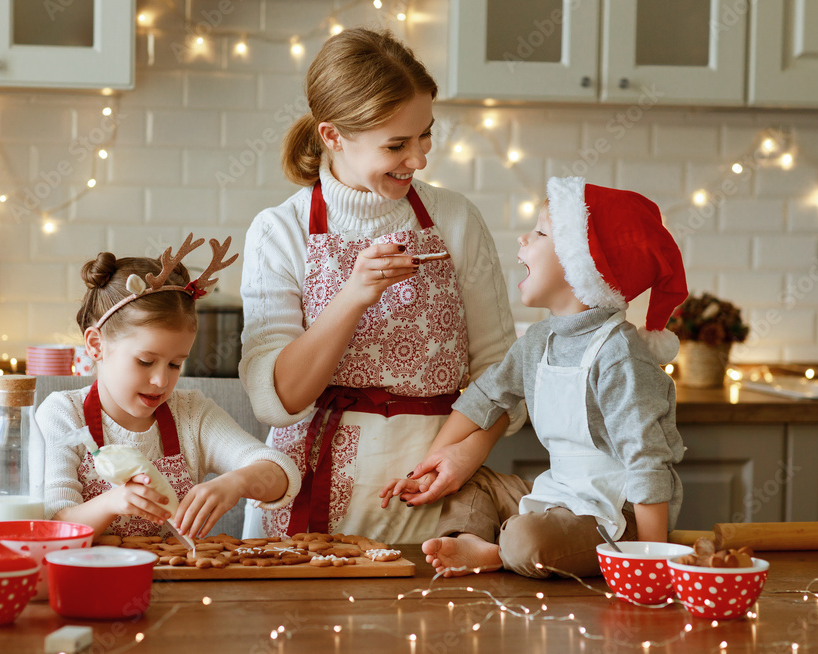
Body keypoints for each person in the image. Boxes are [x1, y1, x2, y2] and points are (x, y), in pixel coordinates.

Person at [239, 27, 523, 544]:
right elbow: (275, 399)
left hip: (433, 493)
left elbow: (501, 373)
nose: (418, 159)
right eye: (396, 144)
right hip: (306, 493)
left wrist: (467, 452)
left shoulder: (455, 220)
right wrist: (353, 296)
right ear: (332, 136)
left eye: (425, 136)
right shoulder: (279, 231)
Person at [383, 177, 688, 578]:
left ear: (586, 262)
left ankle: (502, 552)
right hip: (557, 495)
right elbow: (485, 399)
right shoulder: (540, 341)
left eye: (541, 231)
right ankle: (476, 542)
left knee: (529, 538)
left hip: (615, 514)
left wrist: (648, 559)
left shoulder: (619, 356)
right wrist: (428, 471)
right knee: (474, 484)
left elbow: (647, 464)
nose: (524, 239)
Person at [38, 235, 300, 539]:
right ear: (96, 344)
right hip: (89, 580)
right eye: (145, 362)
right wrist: (112, 502)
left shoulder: (191, 413)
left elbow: (281, 472)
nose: (162, 381)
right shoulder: (64, 415)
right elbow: (55, 524)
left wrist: (236, 483)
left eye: (175, 364)